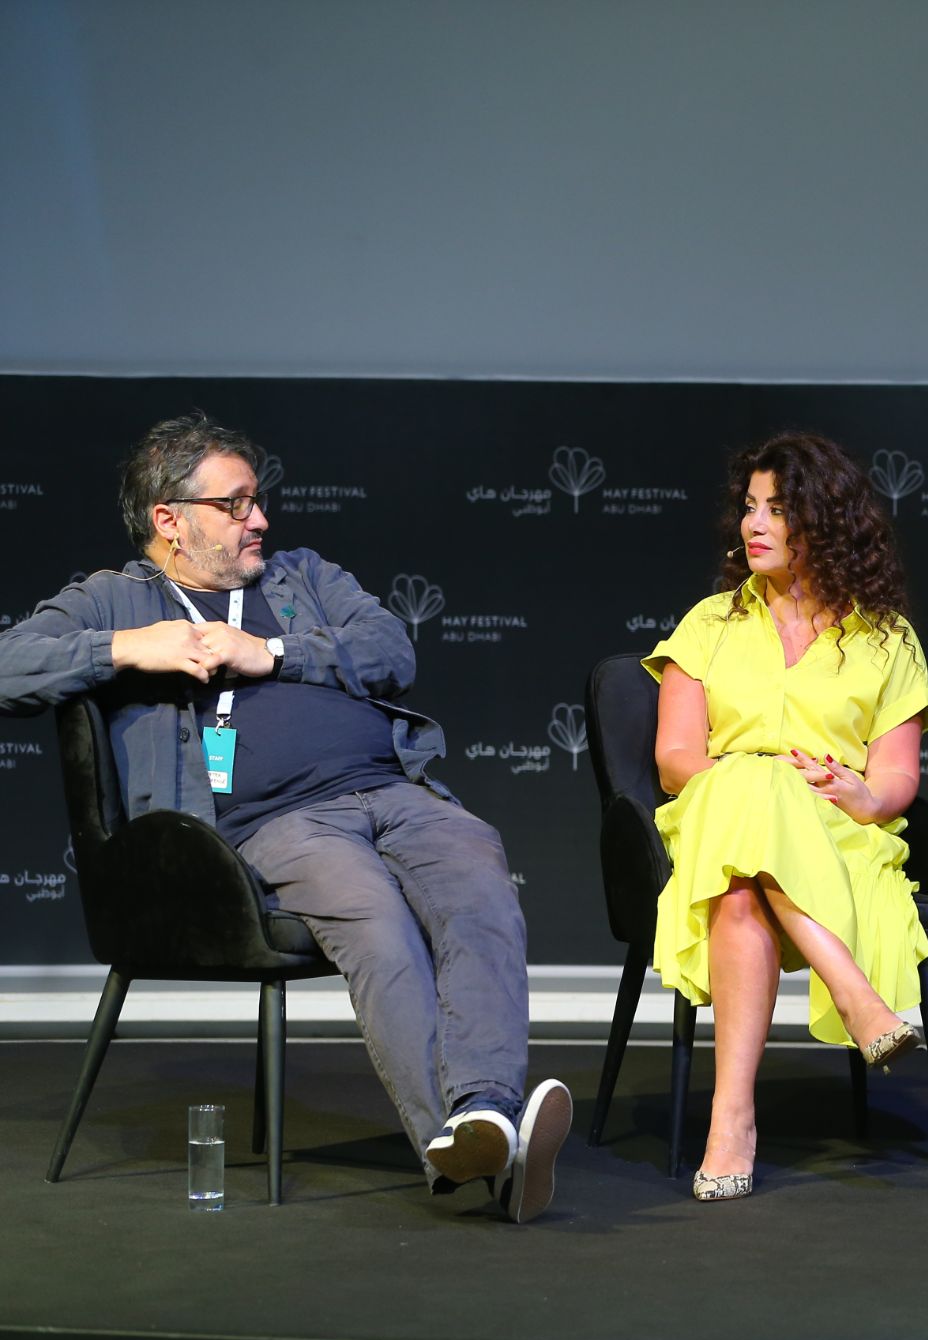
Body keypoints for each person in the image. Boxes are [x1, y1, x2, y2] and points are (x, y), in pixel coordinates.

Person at [0, 414, 570, 1222]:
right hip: (275, 823)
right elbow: (6, 667)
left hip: (393, 791)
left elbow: (389, 648)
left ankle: (481, 1117)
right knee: (371, 915)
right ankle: (471, 1140)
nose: (258, 518)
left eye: (256, 501)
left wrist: (272, 654)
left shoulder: (298, 576)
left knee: (479, 873)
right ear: (170, 518)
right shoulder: (115, 599)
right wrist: (130, 648)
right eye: (234, 505)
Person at [645, 432, 928, 1202]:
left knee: (742, 886)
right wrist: (760, 778)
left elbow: (896, 777)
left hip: (834, 835)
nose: (755, 524)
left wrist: (861, 794)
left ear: (827, 522)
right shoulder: (708, 624)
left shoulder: (884, 637)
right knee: (750, 794)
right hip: (716, 820)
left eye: (778, 509)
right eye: (749, 507)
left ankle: (731, 1122)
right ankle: (853, 990)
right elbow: (677, 760)